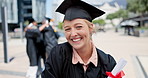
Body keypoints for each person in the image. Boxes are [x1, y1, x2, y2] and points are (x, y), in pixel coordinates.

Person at [41, 0, 116, 78]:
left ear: (91, 28)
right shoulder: (58, 54)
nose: (73, 34)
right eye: (67, 29)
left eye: (79, 27)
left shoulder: (108, 62)